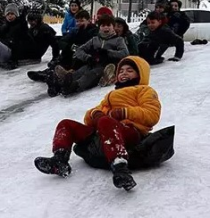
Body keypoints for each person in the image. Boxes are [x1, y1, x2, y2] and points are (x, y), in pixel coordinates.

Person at [34, 56, 161, 191]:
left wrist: (124, 113)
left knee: (106, 121)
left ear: (141, 74)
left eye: (130, 70)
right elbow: (93, 114)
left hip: (130, 132)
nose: (124, 73)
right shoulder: (111, 95)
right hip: (104, 132)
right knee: (66, 124)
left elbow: (152, 114)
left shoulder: (144, 91)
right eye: (121, 71)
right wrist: (94, 114)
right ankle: (60, 160)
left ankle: (120, 167)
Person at [49, 14, 129, 97]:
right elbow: (79, 50)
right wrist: (87, 58)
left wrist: (108, 52)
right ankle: (62, 82)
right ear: (99, 27)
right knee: (81, 71)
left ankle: (75, 86)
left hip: (106, 66)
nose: (106, 28)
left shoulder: (118, 40)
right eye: (103, 25)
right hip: (93, 63)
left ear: (113, 26)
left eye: (108, 25)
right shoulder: (95, 40)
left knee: (91, 74)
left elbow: (125, 53)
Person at [27, 10, 98, 83]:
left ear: (88, 21)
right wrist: (70, 47)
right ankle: (51, 71)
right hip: (73, 53)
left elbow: (91, 45)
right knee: (66, 51)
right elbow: (62, 41)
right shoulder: (75, 31)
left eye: (82, 21)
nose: (79, 23)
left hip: (84, 56)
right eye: (77, 21)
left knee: (75, 56)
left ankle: (60, 74)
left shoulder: (93, 31)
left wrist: (76, 48)